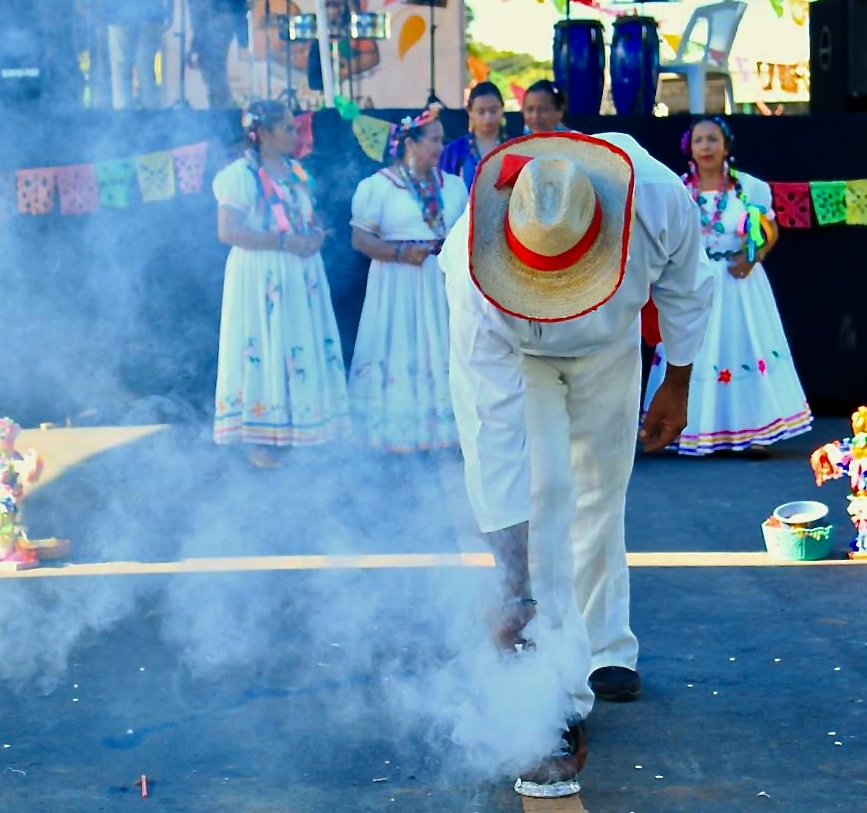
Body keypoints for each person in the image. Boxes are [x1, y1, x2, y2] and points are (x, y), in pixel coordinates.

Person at [438, 132, 713, 798]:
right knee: (544, 493)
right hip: (521, 360)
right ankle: (552, 686)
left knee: (601, 489)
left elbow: (686, 285)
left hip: (609, 347)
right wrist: (514, 589)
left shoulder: (655, 199)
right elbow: (494, 447)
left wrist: (676, 381)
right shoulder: (470, 270)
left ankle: (606, 648)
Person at [644, 116, 811, 455]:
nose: (705, 147)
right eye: (699, 140)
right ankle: (686, 428)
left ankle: (754, 432)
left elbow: (770, 229)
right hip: (693, 285)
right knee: (694, 352)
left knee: (740, 348)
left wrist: (756, 256)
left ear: (726, 146)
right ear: (689, 149)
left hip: (739, 286)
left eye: (712, 139)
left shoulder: (750, 188)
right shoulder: (677, 189)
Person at [211, 101, 350, 467]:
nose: (296, 133)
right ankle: (261, 440)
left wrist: (315, 233)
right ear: (266, 135)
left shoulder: (295, 172)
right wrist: (282, 243)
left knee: (295, 344)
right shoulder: (239, 175)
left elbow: (303, 214)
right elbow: (228, 231)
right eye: (287, 128)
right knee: (266, 345)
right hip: (262, 277)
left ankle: (298, 429)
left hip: (299, 273)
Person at [348, 104, 468, 452]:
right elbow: (361, 239)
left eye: (442, 140)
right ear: (410, 143)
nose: (440, 146)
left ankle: (442, 434)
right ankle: (393, 435)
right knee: (398, 346)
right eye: (433, 139)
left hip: (438, 284)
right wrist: (401, 254)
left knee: (439, 347)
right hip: (396, 284)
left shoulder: (455, 187)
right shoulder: (378, 187)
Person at [439, 82, 508, 190]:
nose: (488, 117)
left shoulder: (515, 147)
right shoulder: (454, 150)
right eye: (481, 112)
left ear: (502, 109)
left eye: (493, 111)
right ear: (470, 112)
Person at [103, 0, 171, 109]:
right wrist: (169, 9)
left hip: (119, 11)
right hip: (151, 12)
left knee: (121, 72)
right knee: (146, 69)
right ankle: (152, 118)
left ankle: (123, 120)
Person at [188, 0, 247, 108]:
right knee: (214, 66)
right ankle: (220, 105)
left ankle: (221, 106)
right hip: (220, 16)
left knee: (214, 66)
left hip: (218, 16)